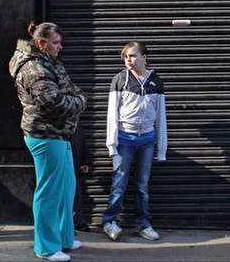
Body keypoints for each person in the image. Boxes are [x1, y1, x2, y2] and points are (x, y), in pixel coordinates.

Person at [9, 22, 87, 262]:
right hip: (44, 135)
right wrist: (81, 102)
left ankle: (63, 238)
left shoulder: (48, 62)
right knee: (50, 191)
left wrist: (75, 97)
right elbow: (53, 103)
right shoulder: (34, 68)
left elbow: (69, 88)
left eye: (60, 42)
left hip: (59, 134)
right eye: (55, 43)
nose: (59, 47)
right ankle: (46, 246)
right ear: (41, 43)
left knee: (66, 188)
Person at [102, 41, 167, 242]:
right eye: (125, 56)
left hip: (147, 140)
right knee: (119, 183)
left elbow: (161, 117)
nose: (128, 60)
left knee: (142, 185)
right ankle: (110, 222)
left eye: (132, 55)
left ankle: (143, 224)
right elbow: (111, 115)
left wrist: (161, 149)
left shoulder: (156, 81)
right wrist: (111, 144)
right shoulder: (119, 79)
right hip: (124, 139)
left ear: (144, 57)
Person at [71, 122, 91, 232]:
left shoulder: (74, 117)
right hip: (59, 151)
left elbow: (80, 137)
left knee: (75, 190)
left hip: (73, 155)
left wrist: (85, 159)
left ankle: (78, 220)